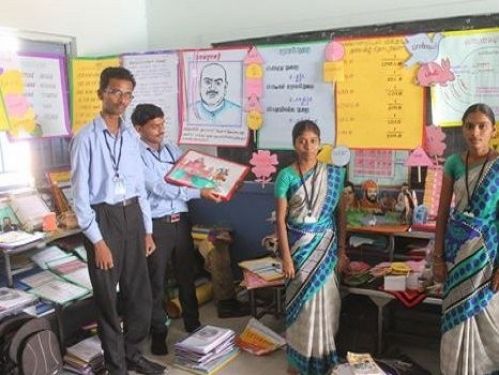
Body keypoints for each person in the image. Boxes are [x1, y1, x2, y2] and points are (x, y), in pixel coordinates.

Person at [132, 104, 249, 356]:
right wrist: (201, 192)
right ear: (139, 128)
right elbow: (159, 187)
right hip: (157, 225)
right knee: (157, 282)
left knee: (187, 275)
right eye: (154, 126)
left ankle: (193, 324)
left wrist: (220, 182)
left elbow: (193, 172)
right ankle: (159, 334)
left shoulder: (172, 149)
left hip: (181, 219)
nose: (160, 130)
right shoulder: (136, 155)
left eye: (162, 124)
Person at [70, 67, 165, 375]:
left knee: (140, 294)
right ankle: (116, 366)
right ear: (101, 94)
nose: (121, 99)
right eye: (115, 92)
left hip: (133, 215)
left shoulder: (131, 138)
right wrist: (97, 241)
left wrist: (147, 230)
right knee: (108, 300)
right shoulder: (85, 138)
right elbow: (81, 197)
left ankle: (134, 354)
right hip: (104, 218)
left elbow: (139, 188)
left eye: (127, 94)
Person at [275, 120, 348, 375]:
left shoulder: (333, 175)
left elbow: (341, 215)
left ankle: (323, 361)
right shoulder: (286, 175)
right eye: (302, 141)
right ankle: (298, 363)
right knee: (302, 307)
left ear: (319, 144)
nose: (307, 146)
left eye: (313, 141)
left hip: (326, 249)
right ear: (295, 144)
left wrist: (341, 250)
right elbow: (281, 221)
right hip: (299, 250)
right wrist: (286, 259)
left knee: (328, 303)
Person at [433, 103, 499, 374]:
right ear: (463, 129)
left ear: (493, 130)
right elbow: (442, 214)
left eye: (482, 125)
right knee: (455, 317)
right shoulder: (453, 163)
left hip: (487, 256)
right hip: (456, 256)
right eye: (470, 125)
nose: (475, 132)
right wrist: (437, 258)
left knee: (489, 320)